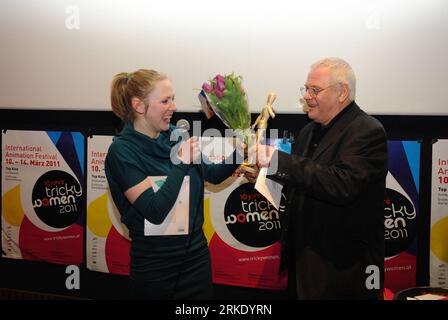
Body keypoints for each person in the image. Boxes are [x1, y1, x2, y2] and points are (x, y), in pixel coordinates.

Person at [247, 58, 388, 299]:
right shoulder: (307, 131)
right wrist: (265, 176)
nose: (307, 96)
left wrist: (278, 162)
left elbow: (341, 184)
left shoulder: (367, 131)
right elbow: (303, 184)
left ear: (342, 92)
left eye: (315, 90)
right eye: (306, 89)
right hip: (304, 264)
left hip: (343, 272)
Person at [105, 69, 241, 299]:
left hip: (195, 258)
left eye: (173, 99)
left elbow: (214, 175)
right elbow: (154, 211)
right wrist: (181, 163)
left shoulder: (178, 136)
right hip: (154, 267)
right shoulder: (122, 152)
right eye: (165, 100)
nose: (174, 107)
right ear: (139, 106)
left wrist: (242, 150)